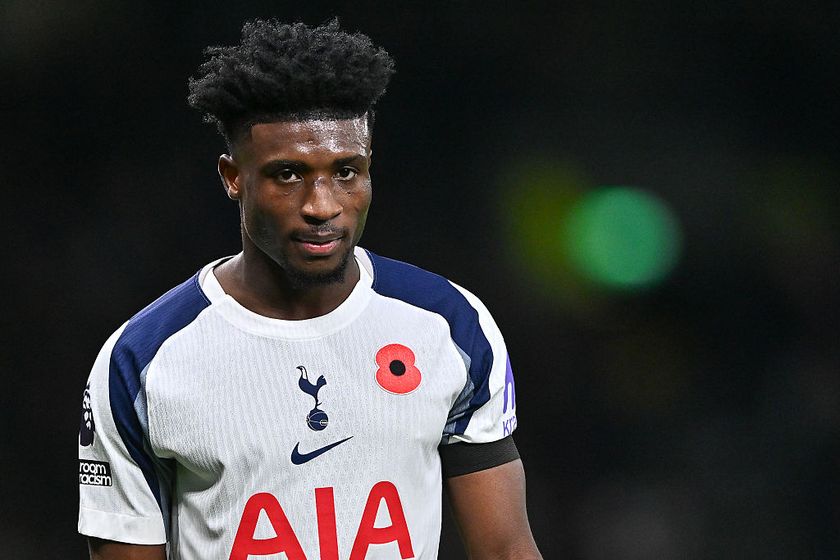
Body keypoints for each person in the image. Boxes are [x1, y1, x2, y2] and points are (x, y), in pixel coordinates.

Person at [78, 18, 542, 560]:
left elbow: (507, 548)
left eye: (346, 171)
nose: (322, 205)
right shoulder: (142, 360)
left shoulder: (450, 325)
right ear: (233, 177)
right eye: (288, 174)